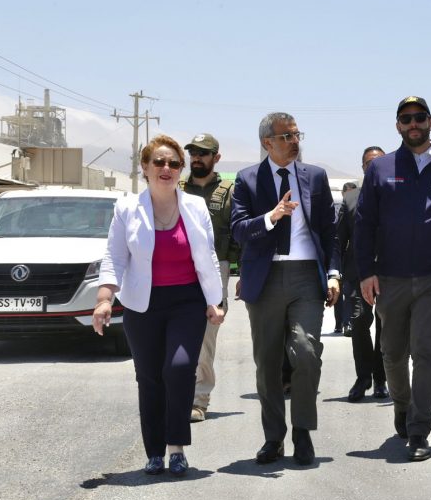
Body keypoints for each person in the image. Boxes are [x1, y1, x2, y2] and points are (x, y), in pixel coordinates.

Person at [93, 135, 224, 477]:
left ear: (181, 170)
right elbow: (115, 257)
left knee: (179, 369)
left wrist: (215, 301)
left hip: (187, 301)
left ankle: (176, 447)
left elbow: (207, 257)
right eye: (159, 163)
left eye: (174, 163)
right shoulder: (126, 209)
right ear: (145, 168)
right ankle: (154, 452)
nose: (167, 169)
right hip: (142, 305)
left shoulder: (195, 207)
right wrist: (104, 299)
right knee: (149, 377)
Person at [355, 96, 431, 461]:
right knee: (392, 352)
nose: (413, 124)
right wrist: (365, 272)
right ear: (398, 126)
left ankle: (420, 429)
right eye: (406, 119)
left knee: (426, 352)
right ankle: (402, 405)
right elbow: (364, 224)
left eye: (419, 117)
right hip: (390, 277)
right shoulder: (381, 168)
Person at [231, 112, 341, 466]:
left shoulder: (316, 177)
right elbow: (238, 230)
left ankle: (302, 432)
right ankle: (273, 438)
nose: (295, 141)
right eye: (286, 136)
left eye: (297, 135)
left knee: (307, 352)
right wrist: (272, 216)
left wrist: (335, 273)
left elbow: (330, 230)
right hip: (265, 280)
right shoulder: (247, 180)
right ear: (267, 142)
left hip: (307, 277)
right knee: (267, 363)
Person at [180, 133, 240, 423]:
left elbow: (240, 232)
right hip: (177, 269)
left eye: (203, 153)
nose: (196, 158)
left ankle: (198, 400)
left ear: (216, 158)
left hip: (216, 270)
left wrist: (246, 271)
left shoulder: (230, 192)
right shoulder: (177, 188)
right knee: (176, 336)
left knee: (204, 338)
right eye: (193, 153)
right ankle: (176, 395)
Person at [339, 147, 388, 402]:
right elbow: (339, 240)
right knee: (359, 323)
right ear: (362, 167)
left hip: (390, 274)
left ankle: (381, 380)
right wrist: (334, 273)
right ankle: (363, 378)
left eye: (378, 163)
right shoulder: (350, 199)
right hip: (357, 274)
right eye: (368, 164)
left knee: (385, 328)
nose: (373, 167)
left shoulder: (395, 194)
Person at [334, 181, 359, 336]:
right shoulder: (339, 207)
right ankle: (342, 323)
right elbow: (338, 238)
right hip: (346, 261)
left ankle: (348, 323)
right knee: (344, 295)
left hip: (357, 260)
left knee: (350, 295)